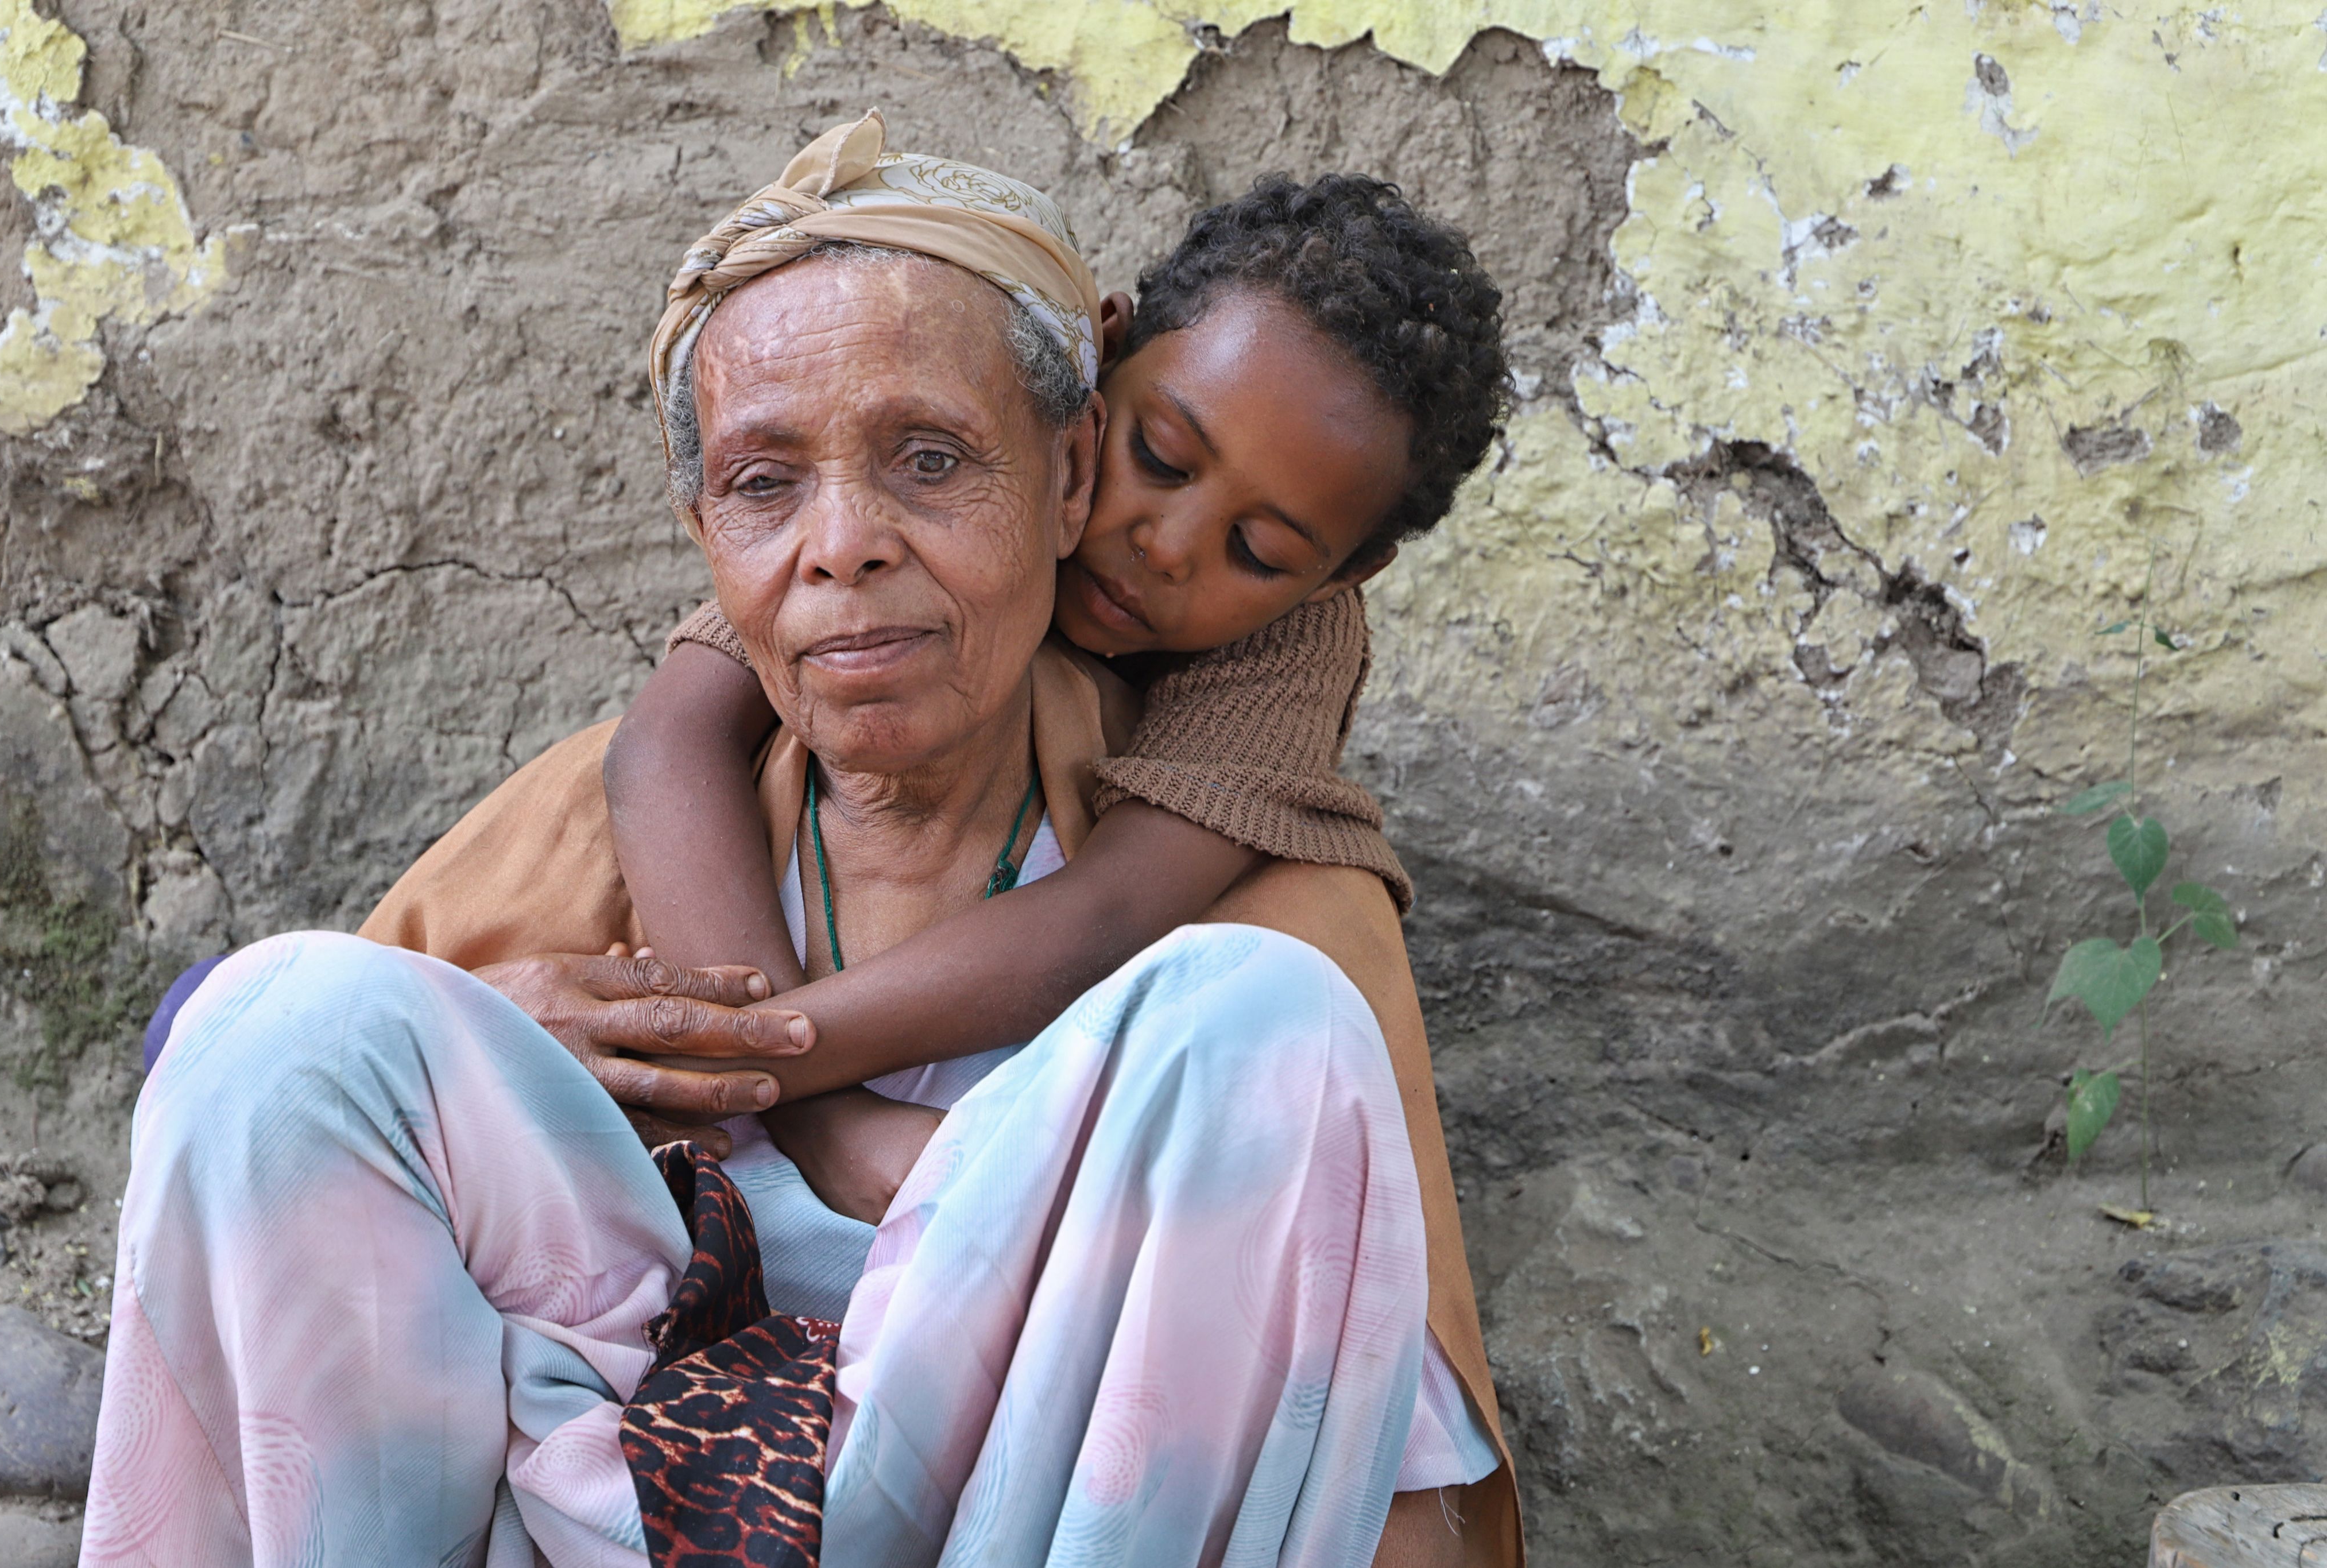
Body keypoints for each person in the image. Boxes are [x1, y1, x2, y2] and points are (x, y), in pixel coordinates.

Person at [84, 117, 1520, 1566]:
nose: (845, 543)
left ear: (1062, 470)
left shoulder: (1249, 887)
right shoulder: (653, 776)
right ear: (706, 526)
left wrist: (818, 1107)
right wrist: (501, 1035)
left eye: (930, 461)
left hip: (1008, 1499)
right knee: (290, 1013)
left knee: (1262, 1017)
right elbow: (233, 1085)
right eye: (766, 484)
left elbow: (1368, 1403)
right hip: (584, 1466)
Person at [600, 165, 1511, 1147]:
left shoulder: (1290, 648)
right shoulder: (901, 527)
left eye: (1260, 553)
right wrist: (810, 1106)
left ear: (1344, 574)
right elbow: (667, 741)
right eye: (1158, 458)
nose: (1165, 545)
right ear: (1099, 369)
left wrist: (775, 1073)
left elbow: (1106, 912)